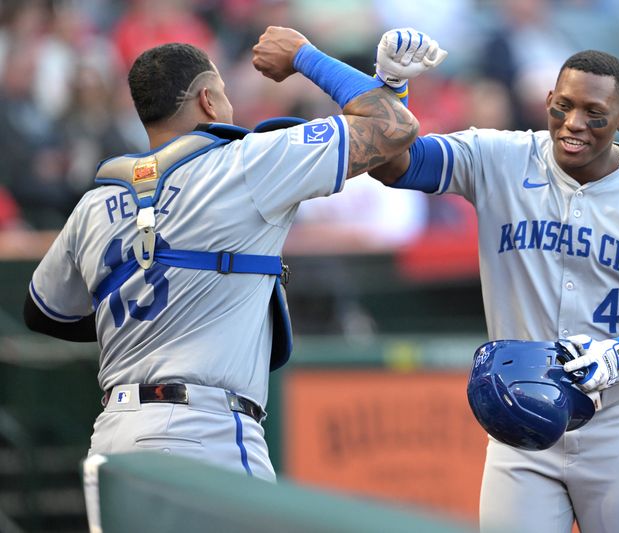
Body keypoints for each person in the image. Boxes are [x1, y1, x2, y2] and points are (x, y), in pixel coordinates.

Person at [21, 25, 428, 481]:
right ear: (208, 101)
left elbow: (42, 313)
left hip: (113, 439)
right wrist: (303, 56)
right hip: (206, 432)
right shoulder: (246, 164)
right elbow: (393, 127)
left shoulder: (94, 203)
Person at [370, 34, 619, 533]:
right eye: (564, 107)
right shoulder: (499, 156)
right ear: (548, 101)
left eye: (595, 113)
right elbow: (394, 165)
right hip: (519, 421)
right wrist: (389, 90)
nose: (574, 124)